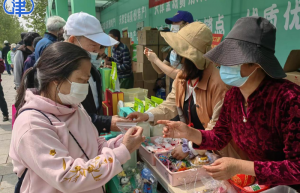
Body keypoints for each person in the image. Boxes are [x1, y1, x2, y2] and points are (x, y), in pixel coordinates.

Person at [160, 17, 300, 191]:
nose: (221, 65)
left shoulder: (289, 99)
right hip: (259, 185)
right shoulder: (234, 96)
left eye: (231, 59)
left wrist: (240, 166)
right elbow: (219, 137)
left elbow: (296, 168)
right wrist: (190, 133)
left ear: (256, 63)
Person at [10, 42, 144, 193]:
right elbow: (68, 177)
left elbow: (96, 145)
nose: (85, 86)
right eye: (82, 80)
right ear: (56, 79)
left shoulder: (75, 107)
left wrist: (121, 141)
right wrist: (123, 151)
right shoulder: (32, 125)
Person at [128, 22, 239, 160]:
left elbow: (216, 130)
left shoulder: (218, 85)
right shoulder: (183, 77)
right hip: (195, 150)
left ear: (193, 61)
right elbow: (170, 104)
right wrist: (147, 115)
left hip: (218, 155)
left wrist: (189, 148)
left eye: (182, 57)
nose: (179, 61)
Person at [63, 12, 129, 135]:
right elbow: (66, 118)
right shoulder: (58, 72)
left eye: (99, 47)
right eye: (93, 45)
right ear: (72, 40)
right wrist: (105, 122)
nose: (96, 51)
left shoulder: (91, 69)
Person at [149, 11, 194, 93]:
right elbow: (160, 70)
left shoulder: (192, 49)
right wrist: (151, 58)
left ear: (187, 25)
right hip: (174, 92)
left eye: (176, 22)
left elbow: (179, 75)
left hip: (188, 94)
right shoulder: (173, 49)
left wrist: (156, 60)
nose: (173, 25)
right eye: (172, 23)